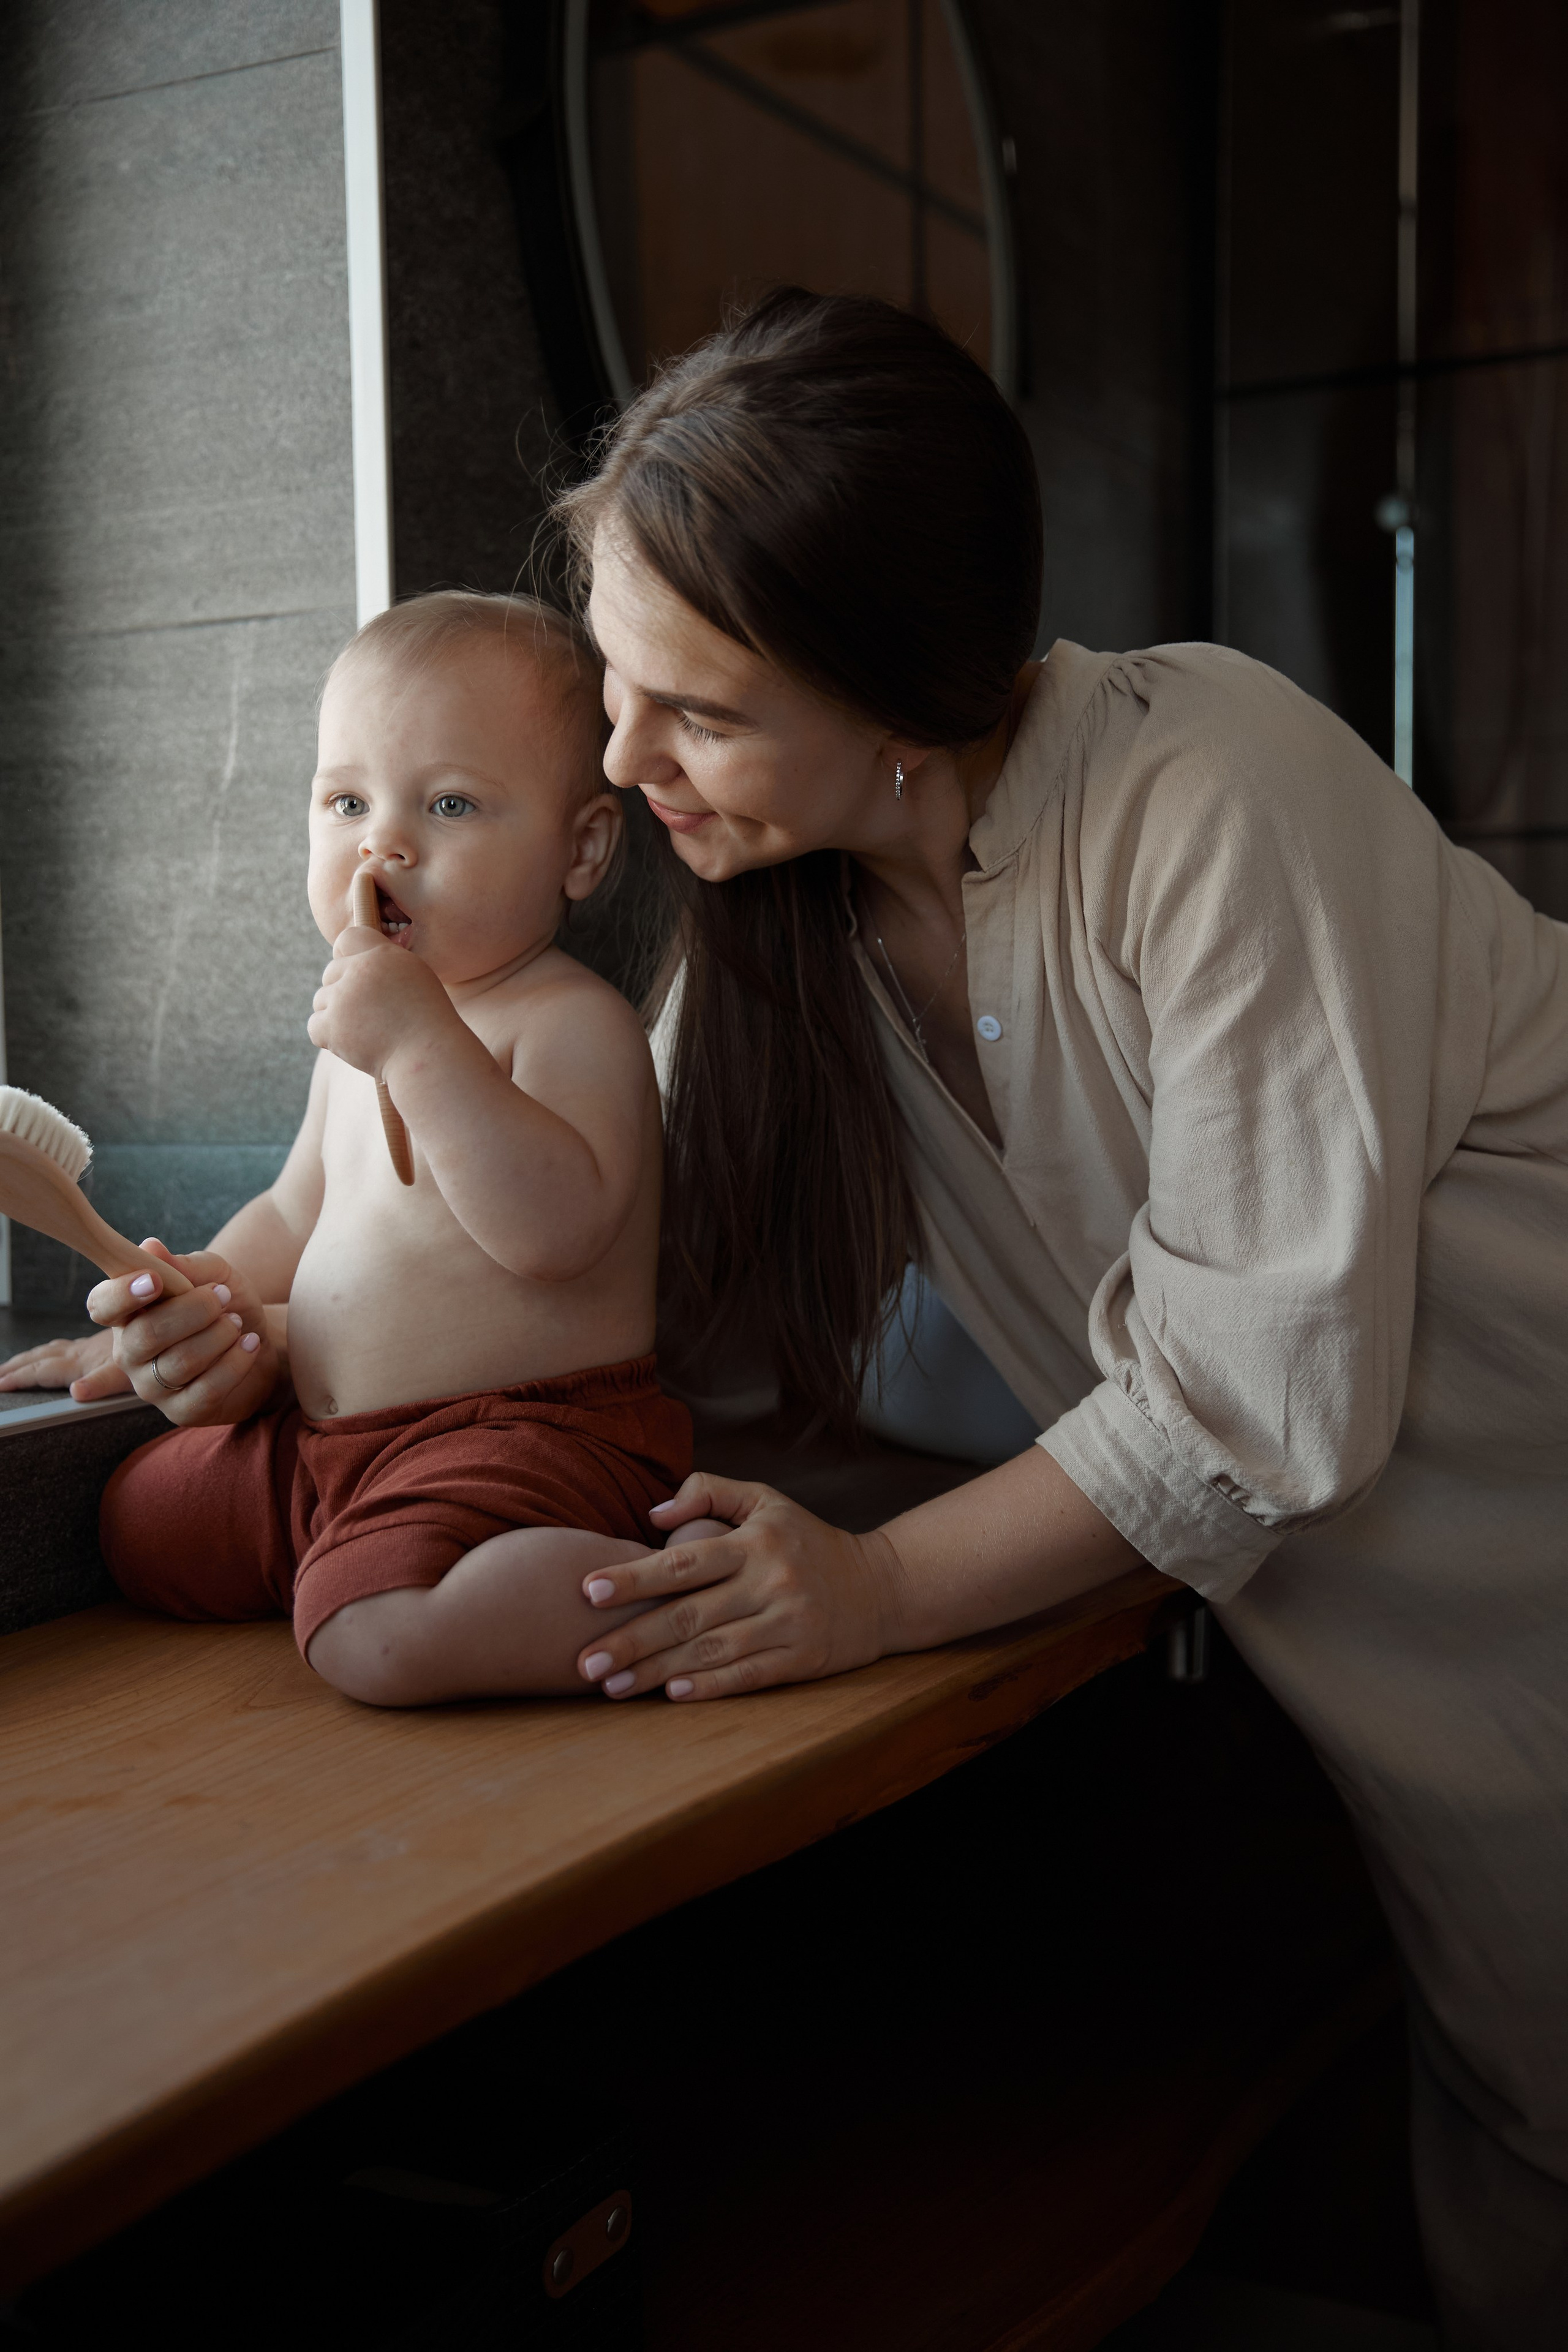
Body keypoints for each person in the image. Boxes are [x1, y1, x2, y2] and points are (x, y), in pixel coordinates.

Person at [537, 292, 1559, 2348]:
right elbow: (591, 1249)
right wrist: (254, 1312)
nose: (624, 758)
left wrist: (877, 1588)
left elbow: (1255, 1398)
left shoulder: (1211, 795)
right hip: (1397, 1643)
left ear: (900, 689)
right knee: (1527, 2104)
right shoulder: (784, 912)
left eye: (699, 710)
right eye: (617, 687)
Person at [1, 592, 720, 1700]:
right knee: (141, 1518)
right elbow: (296, 1213)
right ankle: (354, 1556)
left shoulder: (571, 1023)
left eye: (449, 804)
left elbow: (555, 1233)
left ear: (580, 849)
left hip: (527, 1440)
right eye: (346, 800)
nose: (382, 843)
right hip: (339, 1438)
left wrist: (423, 1046)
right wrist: (200, 1292)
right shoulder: (354, 1032)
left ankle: (655, 1590)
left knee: (373, 1641)